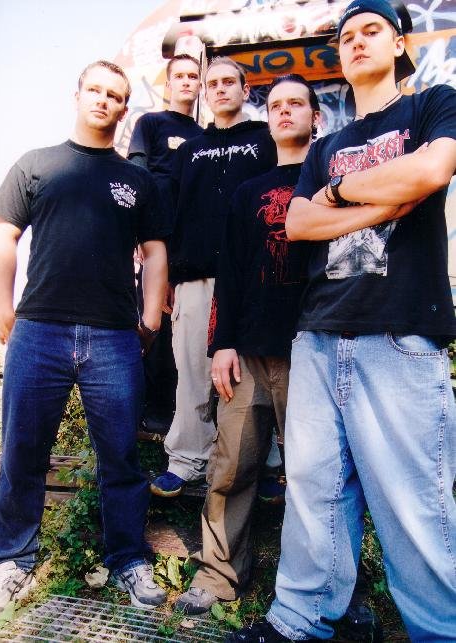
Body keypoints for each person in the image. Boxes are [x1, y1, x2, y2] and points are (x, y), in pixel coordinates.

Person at [229, 1, 456, 641]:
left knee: (416, 503)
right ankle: (300, 621)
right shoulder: (326, 145)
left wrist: (339, 196)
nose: (356, 42)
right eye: (346, 35)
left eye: (371, 31)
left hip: (399, 333)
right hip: (318, 334)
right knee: (314, 493)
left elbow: (432, 168)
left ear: (400, 43)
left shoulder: (432, 105)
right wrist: (376, 198)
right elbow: (299, 222)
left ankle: (440, 631)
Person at [0, 60, 169, 614]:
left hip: (114, 339)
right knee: (21, 452)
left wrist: (150, 322)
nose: (103, 100)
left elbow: (156, 252)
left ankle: (128, 560)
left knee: (120, 456)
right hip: (39, 331)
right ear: (77, 96)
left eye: (114, 95)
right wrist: (2, 306)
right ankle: (12, 560)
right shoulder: (36, 165)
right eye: (94, 90)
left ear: (124, 108)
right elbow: (5, 236)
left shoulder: (136, 181)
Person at [173, 73, 318, 613]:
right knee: (231, 466)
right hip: (249, 352)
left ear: (315, 117)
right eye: (276, 105)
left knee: (314, 471)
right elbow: (230, 276)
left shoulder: (330, 177)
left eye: (296, 103)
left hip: (311, 349)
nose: (285, 112)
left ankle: (316, 585)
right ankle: (219, 574)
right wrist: (222, 344)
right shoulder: (247, 192)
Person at [150, 57, 277, 497]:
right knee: (192, 372)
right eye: (213, 84)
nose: (221, 89)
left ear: (245, 89)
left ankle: (263, 465)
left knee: (256, 372)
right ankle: (187, 459)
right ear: (205, 93)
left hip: (256, 278)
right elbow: (170, 215)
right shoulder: (188, 151)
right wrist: (168, 276)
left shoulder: (265, 140)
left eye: (229, 82)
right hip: (196, 277)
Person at [128, 54, 202, 432]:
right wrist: (135, 229)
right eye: (180, 76)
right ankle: (150, 414)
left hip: (190, 245)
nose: (187, 81)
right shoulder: (151, 123)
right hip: (154, 238)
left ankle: (177, 415)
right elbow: (136, 172)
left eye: (193, 76)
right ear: (168, 84)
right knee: (151, 318)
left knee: (183, 327)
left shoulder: (205, 135)